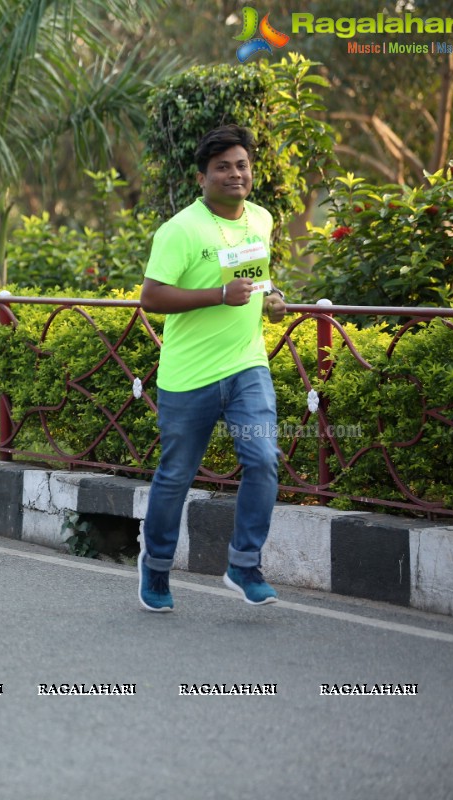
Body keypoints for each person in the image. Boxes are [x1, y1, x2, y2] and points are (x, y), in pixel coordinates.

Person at [137, 124, 288, 613]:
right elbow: (152, 296)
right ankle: (156, 568)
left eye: (241, 165)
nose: (234, 173)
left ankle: (244, 564)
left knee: (263, 460)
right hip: (188, 376)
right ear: (202, 177)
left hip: (247, 365)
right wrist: (217, 297)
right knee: (176, 476)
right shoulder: (180, 229)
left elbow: (256, 278)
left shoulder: (261, 219)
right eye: (222, 167)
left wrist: (272, 299)